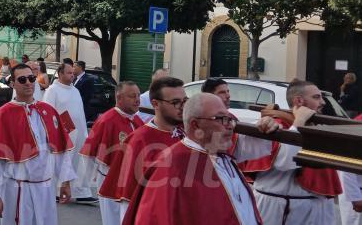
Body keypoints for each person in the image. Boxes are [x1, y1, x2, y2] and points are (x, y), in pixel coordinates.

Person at [122, 93, 265, 225]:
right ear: (195, 125)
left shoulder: (221, 154)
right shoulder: (172, 167)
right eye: (221, 119)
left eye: (230, 119)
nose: (230, 126)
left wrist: (268, 124)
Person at [0, 63, 76, 225]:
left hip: (46, 189)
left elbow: (60, 150)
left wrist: (65, 181)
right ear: (13, 84)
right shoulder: (2, 115)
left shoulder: (48, 111)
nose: (28, 83)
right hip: (18, 190)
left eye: (31, 78)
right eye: (22, 79)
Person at [242, 80, 342, 225]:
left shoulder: (317, 126)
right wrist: (299, 121)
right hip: (280, 208)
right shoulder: (277, 125)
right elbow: (286, 161)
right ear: (299, 101)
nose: (323, 102)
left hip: (313, 207)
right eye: (316, 97)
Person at [99, 77, 188, 222]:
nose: (182, 107)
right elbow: (128, 200)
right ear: (155, 104)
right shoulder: (139, 141)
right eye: (175, 102)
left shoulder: (186, 134)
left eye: (184, 101)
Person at [80, 81, 145, 225]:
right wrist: (91, 178)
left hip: (132, 181)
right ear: (119, 98)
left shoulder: (137, 120)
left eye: (139, 95)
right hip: (111, 182)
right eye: (132, 96)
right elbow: (89, 151)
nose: (137, 100)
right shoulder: (107, 120)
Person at [42, 62, 97, 205]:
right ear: (60, 74)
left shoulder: (75, 90)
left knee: (79, 163)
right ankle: (55, 192)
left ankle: (81, 192)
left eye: (73, 73)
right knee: (59, 163)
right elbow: (48, 113)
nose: (72, 75)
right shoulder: (52, 90)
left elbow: (80, 113)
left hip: (78, 135)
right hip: (61, 135)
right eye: (69, 73)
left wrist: (84, 132)